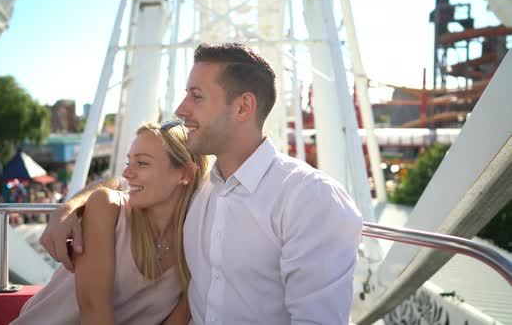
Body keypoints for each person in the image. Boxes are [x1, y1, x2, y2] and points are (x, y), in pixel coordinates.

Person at [40, 43, 363, 324]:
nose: (181, 110)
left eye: (196, 96)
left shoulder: (309, 199)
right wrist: (69, 206)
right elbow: (123, 186)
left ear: (243, 107)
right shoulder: (199, 195)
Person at [13, 121, 209, 325]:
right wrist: (66, 207)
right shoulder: (108, 208)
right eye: (128, 162)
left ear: (185, 174)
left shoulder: (197, 240)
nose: (127, 173)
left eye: (142, 163)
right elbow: (93, 308)